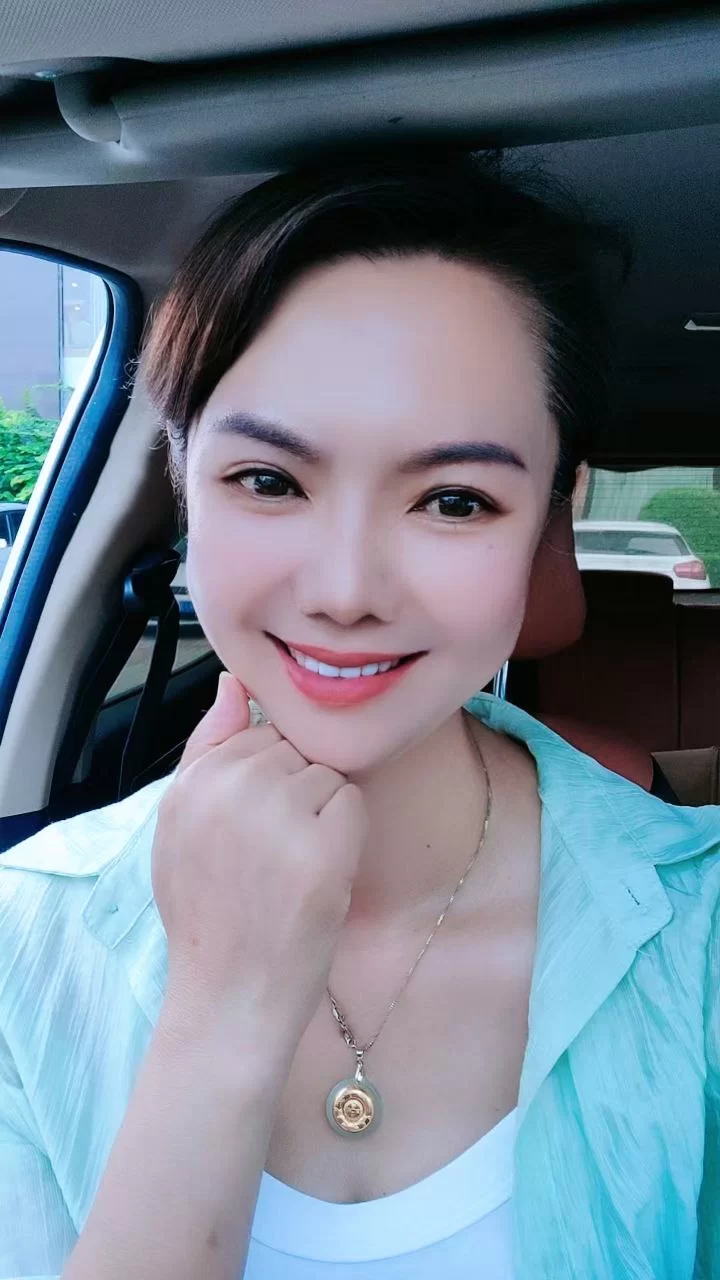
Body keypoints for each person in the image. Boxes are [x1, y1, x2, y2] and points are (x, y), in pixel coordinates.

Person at [0, 152, 718, 1280]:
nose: (345, 590)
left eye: (454, 500)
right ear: (183, 480)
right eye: (269, 481)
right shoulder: (20, 938)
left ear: (552, 513)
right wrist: (220, 1016)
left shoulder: (698, 936)